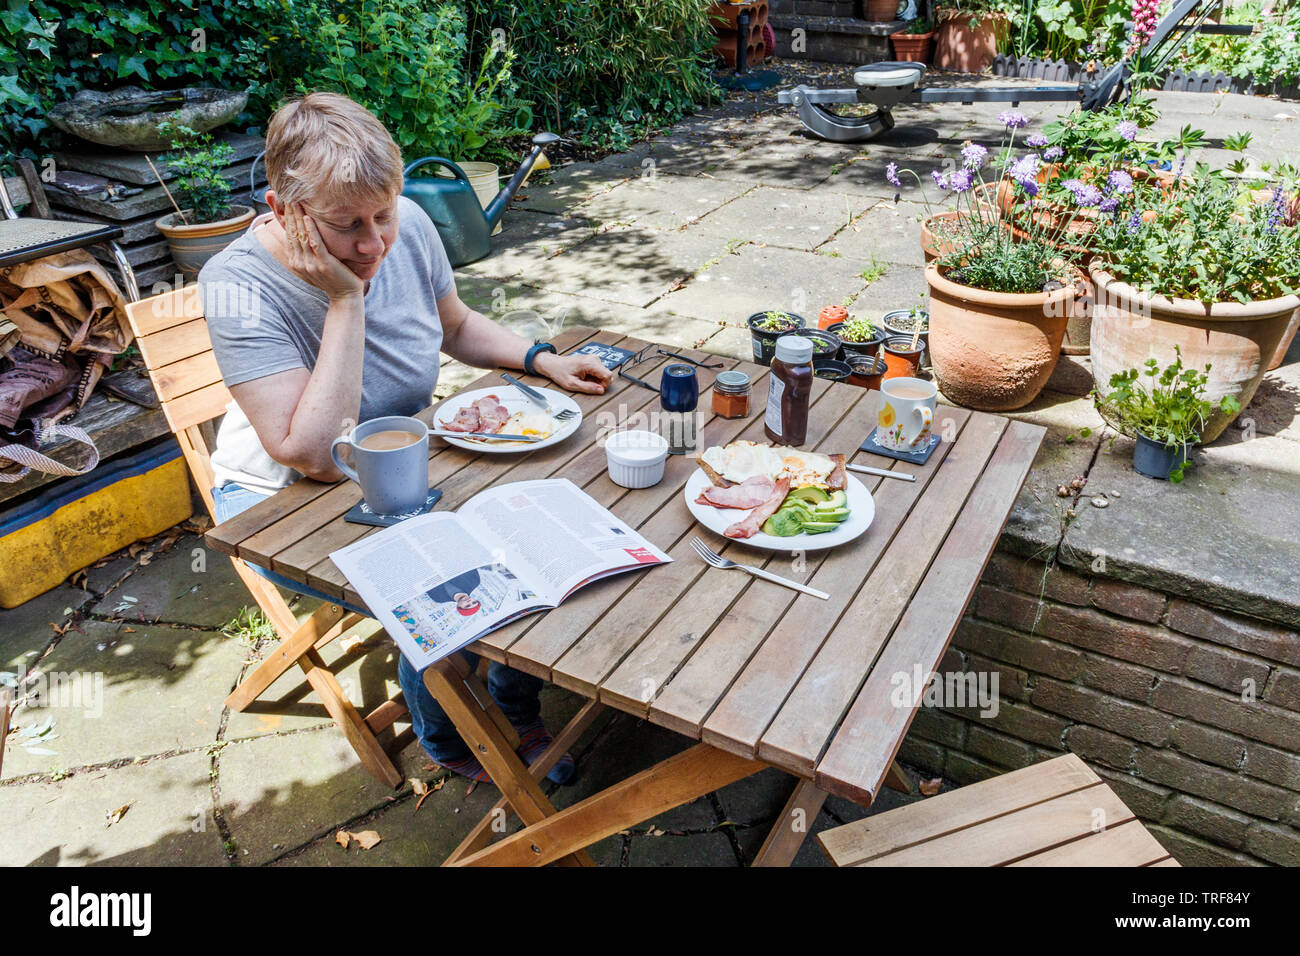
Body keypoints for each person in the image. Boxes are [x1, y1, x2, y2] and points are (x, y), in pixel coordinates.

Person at [199, 92, 613, 784]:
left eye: (382, 216)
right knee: (460, 581)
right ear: (284, 211)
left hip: (404, 456)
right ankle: (451, 736)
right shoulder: (235, 284)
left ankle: (508, 696)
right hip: (279, 502)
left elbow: (453, 326)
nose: (373, 243)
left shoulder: (408, 223)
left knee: (555, 525)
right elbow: (313, 454)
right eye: (346, 226)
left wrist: (541, 356)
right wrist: (343, 297)